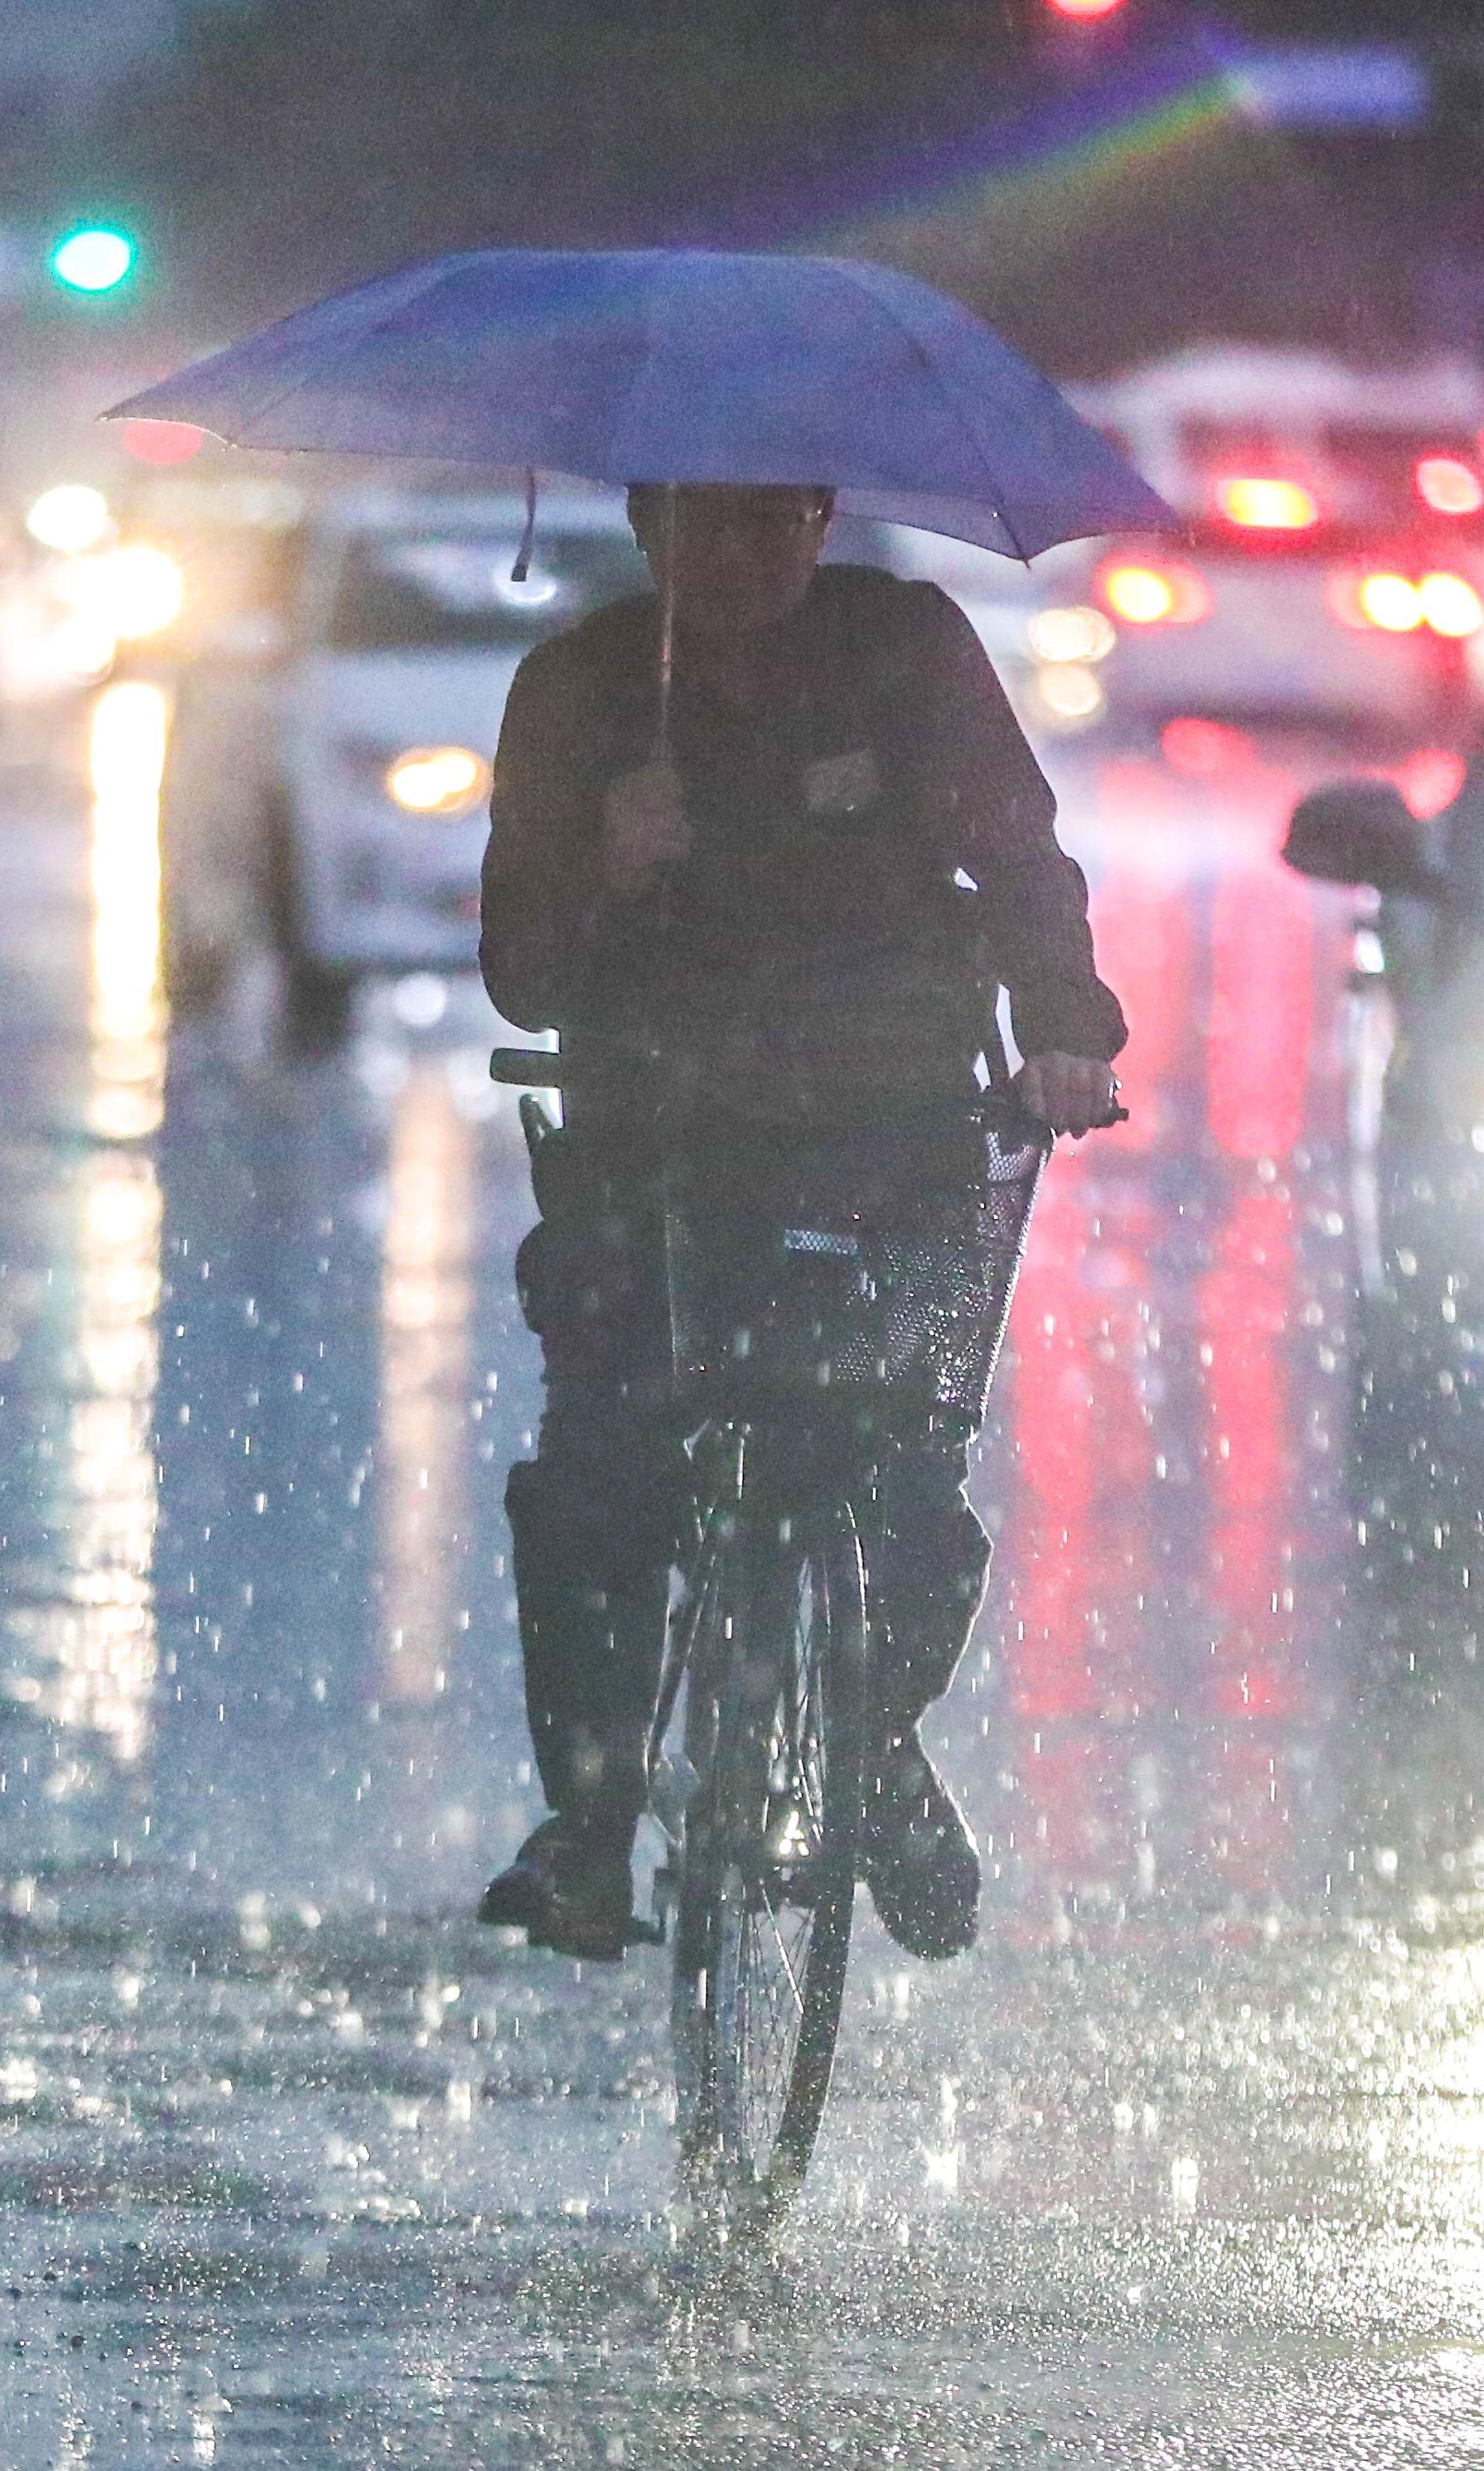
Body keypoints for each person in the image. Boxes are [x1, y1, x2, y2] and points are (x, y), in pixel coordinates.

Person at [470, 481, 1127, 1964]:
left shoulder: (902, 650)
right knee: (599, 1479)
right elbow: (521, 967)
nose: (751, 557)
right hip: (655, 1131)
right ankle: (589, 1822)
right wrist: (605, 863)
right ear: (651, 530)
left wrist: (1064, 1026)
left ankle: (873, 1746)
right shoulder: (578, 687)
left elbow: (1018, 855)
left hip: (889, 1122)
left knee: (902, 1474)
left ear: (824, 524)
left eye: (784, 522)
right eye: (714, 524)